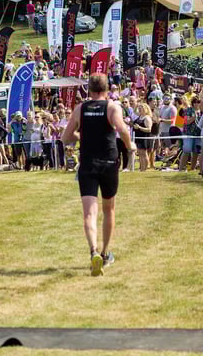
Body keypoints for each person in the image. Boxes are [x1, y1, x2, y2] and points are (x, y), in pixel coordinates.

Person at [61, 74, 134, 277]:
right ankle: (104, 253)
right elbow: (122, 129)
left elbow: (65, 137)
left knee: (89, 213)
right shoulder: (112, 107)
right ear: (106, 88)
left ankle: (93, 250)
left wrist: (81, 135)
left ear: (89, 89)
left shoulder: (80, 109)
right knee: (109, 209)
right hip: (109, 162)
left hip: (88, 164)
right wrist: (130, 147)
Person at [132, 104, 153, 172]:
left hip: (144, 138)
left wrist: (139, 127)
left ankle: (145, 169)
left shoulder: (147, 118)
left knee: (144, 153)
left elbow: (149, 129)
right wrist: (137, 105)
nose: (140, 109)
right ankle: (142, 168)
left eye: (142, 108)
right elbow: (134, 111)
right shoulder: (140, 116)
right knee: (140, 154)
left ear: (146, 109)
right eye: (139, 108)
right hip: (138, 137)